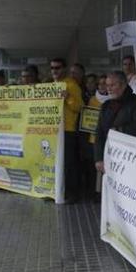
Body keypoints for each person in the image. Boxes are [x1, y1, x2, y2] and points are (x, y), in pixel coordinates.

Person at [94, 71, 136, 173]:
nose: (109, 89)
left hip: (132, 158)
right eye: (107, 85)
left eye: (113, 85)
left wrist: (118, 130)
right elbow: (99, 133)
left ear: (123, 85)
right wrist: (98, 158)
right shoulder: (106, 105)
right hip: (110, 157)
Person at [50, 58, 84, 203]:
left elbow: (79, 107)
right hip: (53, 130)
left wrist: (68, 97)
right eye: (52, 68)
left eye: (57, 68)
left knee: (69, 163)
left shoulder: (71, 85)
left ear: (64, 68)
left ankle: (72, 193)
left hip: (68, 130)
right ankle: (58, 191)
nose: (54, 71)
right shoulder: (52, 85)